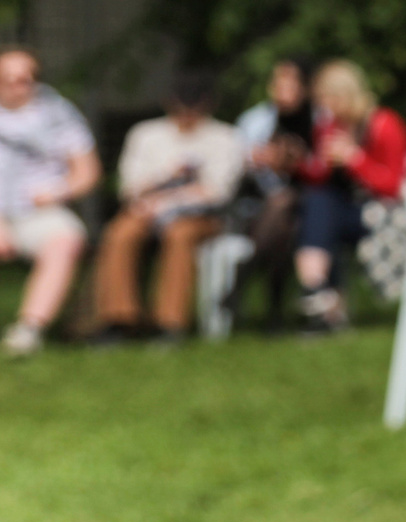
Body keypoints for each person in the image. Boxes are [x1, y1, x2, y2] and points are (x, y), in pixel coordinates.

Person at [89, 68, 249, 343]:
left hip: (201, 217)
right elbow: (129, 187)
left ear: (208, 104)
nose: (187, 113)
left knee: (179, 235)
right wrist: (166, 178)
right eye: (181, 106)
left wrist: (168, 201)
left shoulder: (225, 137)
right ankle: (119, 319)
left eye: (194, 107)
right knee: (120, 234)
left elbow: (218, 193)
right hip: (145, 209)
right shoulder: (145, 134)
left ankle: (169, 323)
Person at [293, 58, 406, 331]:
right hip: (345, 212)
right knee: (319, 202)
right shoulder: (332, 126)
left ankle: (318, 296)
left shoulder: (385, 124)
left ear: (344, 95)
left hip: (383, 214)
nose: (323, 106)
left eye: (327, 99)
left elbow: (394, 186)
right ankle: (317, 292)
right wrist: (301, 163)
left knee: (321, 210)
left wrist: (354, 158)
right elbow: (320, 178)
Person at [0, 47, 101, 357]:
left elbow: (87, 172)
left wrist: (58, 191)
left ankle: (28, 330)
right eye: (8, 79)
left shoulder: (59, 113)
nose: (18, 86)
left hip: (38, 212)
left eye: (25, 79)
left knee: (66, 239)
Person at [230, 56, 316, 331]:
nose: (283, 87)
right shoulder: (253, 121)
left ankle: (242, 279)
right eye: (279, 80)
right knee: (283, 224)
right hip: (259, 203)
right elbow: (234, 167)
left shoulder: (319, 118)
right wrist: (254, 161)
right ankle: (274, 313)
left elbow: (322, 165)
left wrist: (293, 161)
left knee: (283, 206)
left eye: (291, 81)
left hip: (310, 201)